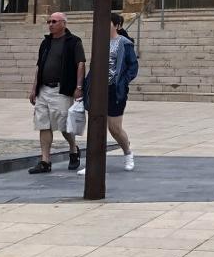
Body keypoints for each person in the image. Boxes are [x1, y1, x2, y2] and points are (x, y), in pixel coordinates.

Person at [79, 12, 139, 175]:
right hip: (97, 89)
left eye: (108, 23)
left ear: (117, 26)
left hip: (115, 89)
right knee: (96, 126)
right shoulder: (100, 42)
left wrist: (123, 81)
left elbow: (133, 67)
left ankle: (128, 153)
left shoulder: (124, 43)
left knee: (114, 128)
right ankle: (93, 162)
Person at [28, 11, 86, 174]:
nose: (50, 24)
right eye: (49, 22)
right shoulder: (45, 43)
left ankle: (73, 150)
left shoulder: (73, 41)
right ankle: (45, 161)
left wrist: (79, 87)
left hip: (61, 89)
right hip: (43, 89)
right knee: (43, 124)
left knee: (64, 125)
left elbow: (80, 64)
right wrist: (34, 88)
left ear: (63, 23)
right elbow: (39, 67)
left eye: (54, 21)